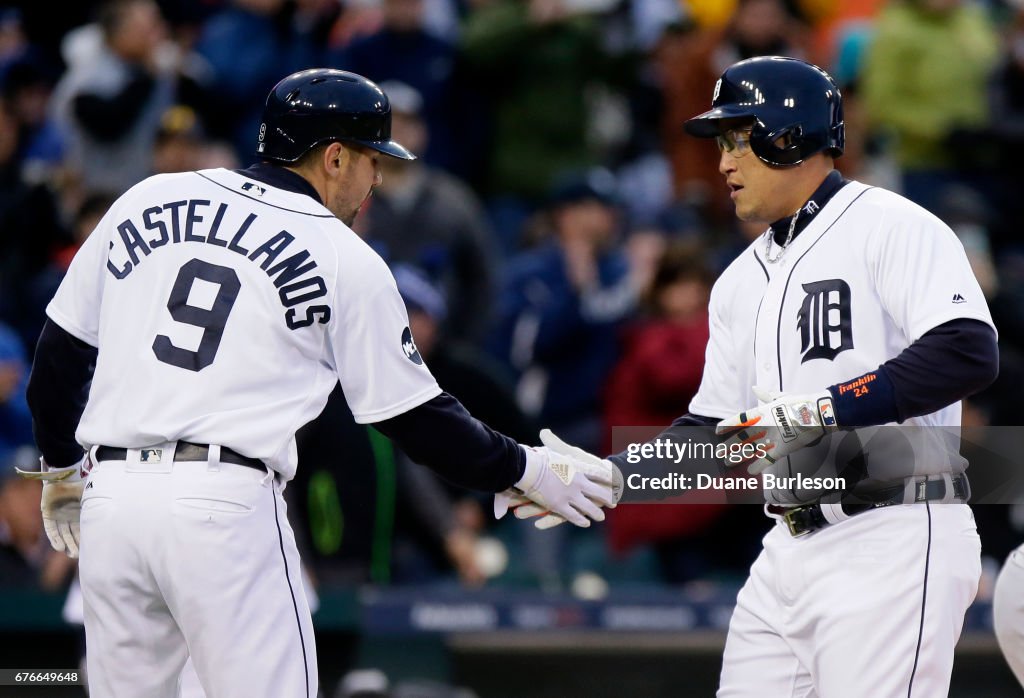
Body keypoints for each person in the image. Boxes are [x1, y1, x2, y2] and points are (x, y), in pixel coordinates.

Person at [19, 68, 616, 698]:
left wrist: (61, 471)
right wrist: (526, 469)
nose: (377, 179)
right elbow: (416, 419)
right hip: (222, 504)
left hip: (112, 501)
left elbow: (54, 365)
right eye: (371, 159)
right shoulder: (342, 254)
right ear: (334, 157)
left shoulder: (148, 198)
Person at [527, 56, 999, 696]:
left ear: (789, 134)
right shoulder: (737, 281)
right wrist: (612, 477)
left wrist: (821, 411)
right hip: (787, 544)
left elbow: (966, 350)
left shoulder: (892, 224)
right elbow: (716, 433)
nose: (722, 162)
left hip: (893, 531)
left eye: (735, 138)